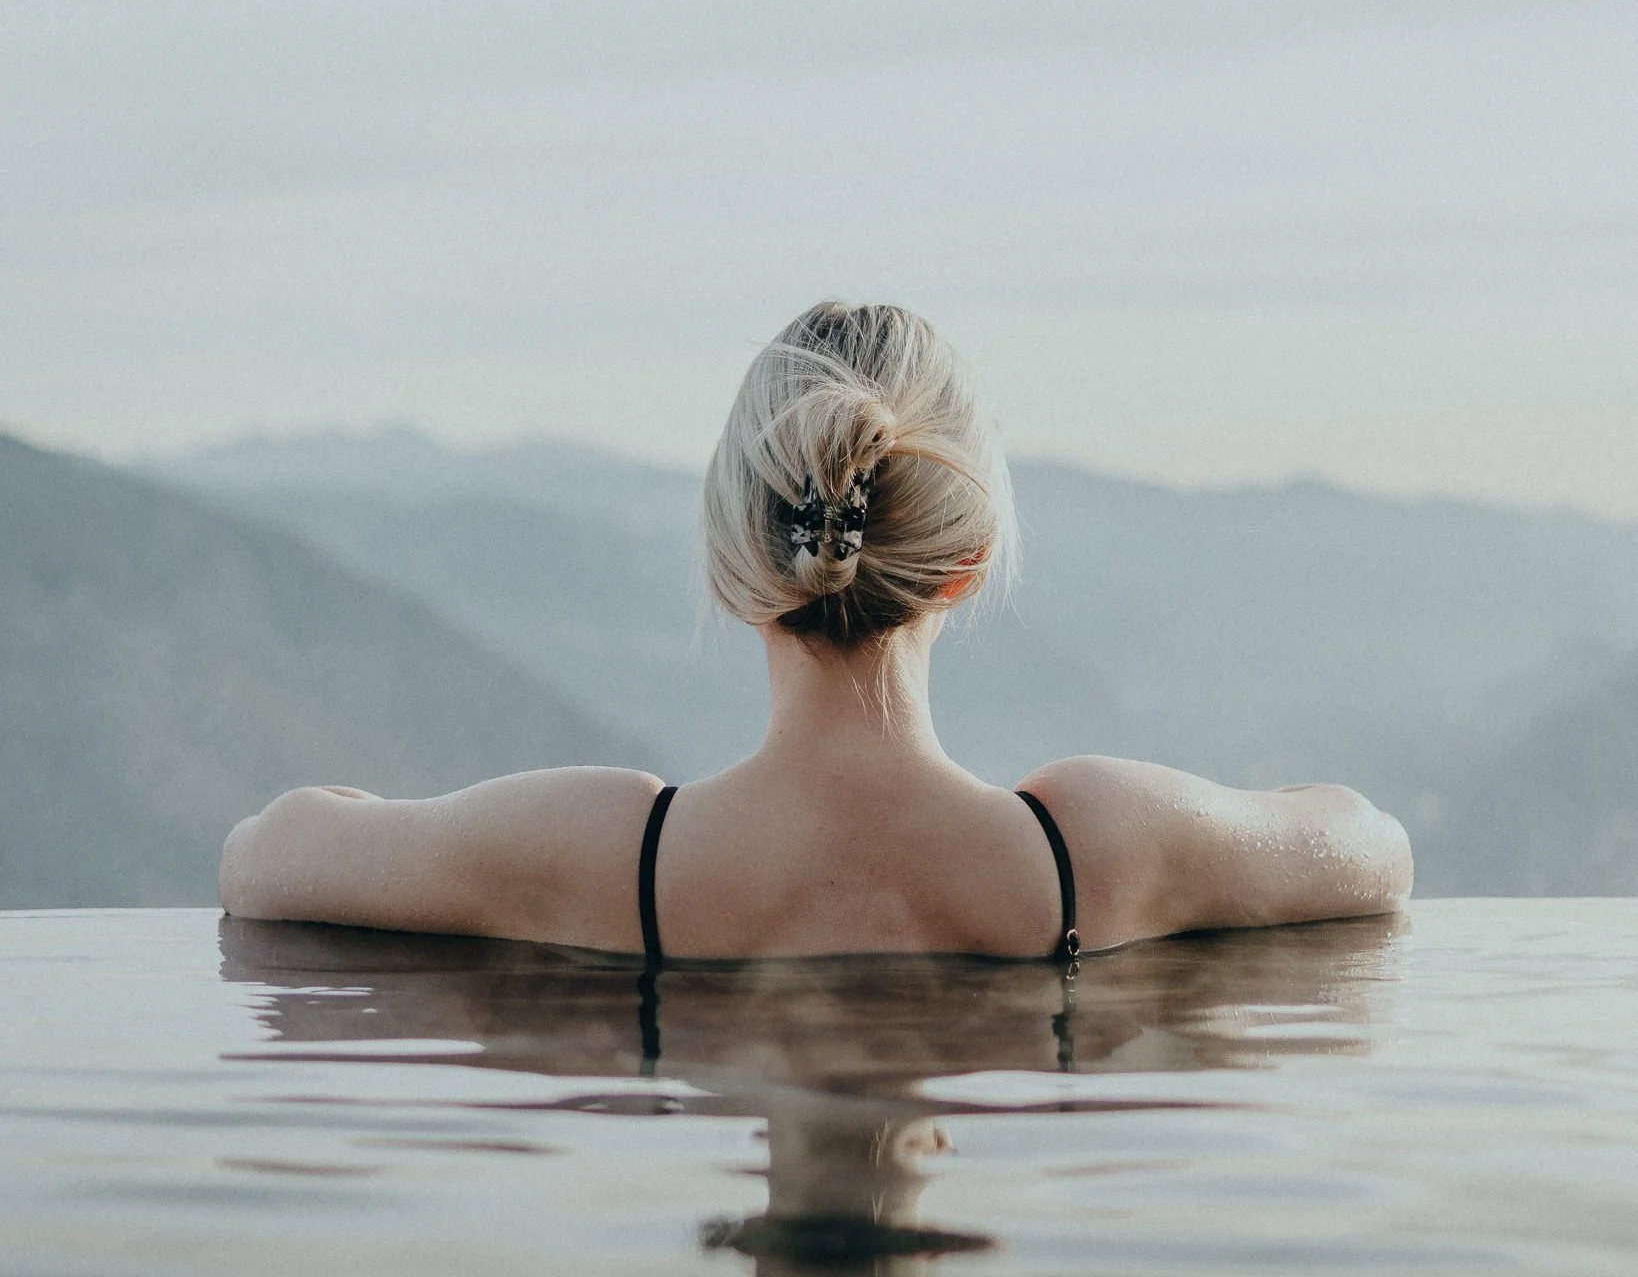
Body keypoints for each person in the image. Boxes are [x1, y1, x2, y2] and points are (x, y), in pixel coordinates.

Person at [218, 301, 1412, 957]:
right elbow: (1368, 844)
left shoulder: (607, 853)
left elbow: (265, 858)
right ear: (968, 564)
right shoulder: (1092, 849)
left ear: (738, 568)